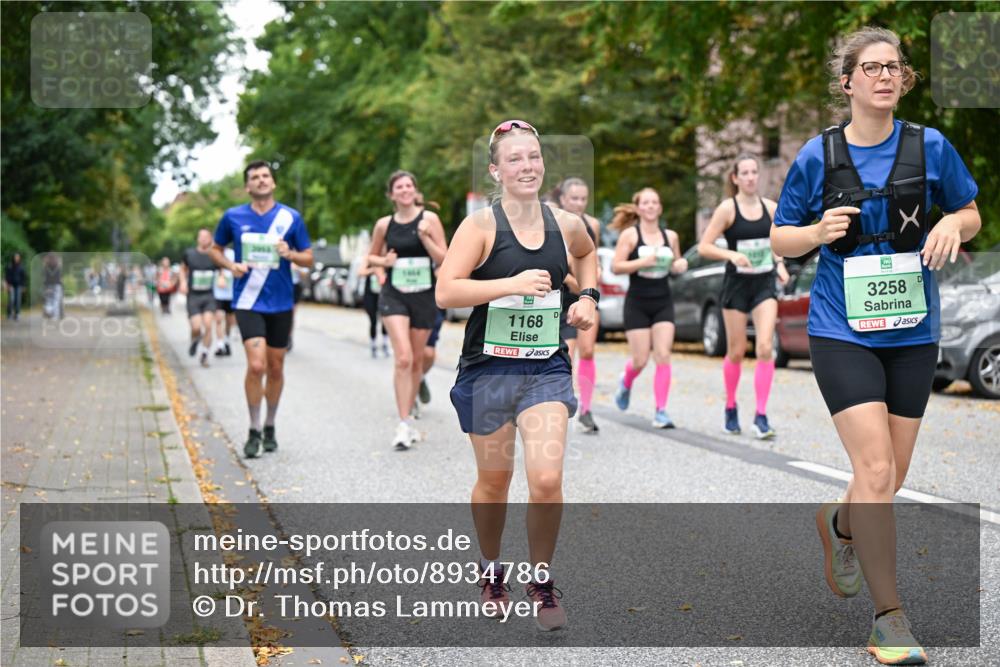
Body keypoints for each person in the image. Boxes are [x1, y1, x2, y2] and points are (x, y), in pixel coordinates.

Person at [770, 27, 980, 666]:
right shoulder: (818, 155)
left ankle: (840, 523)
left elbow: (971, 212)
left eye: (894, 67)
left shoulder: (930, 146)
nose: (886, 76)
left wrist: (951, 220)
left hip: (913, 331)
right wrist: (813, 231)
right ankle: (889, 620)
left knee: (886, 478)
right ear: (849, 83)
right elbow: (780, 240)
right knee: (878, 471)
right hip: (841, 331)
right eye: (872, 67)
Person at [436, 120, 597, 631]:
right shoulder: (481, 226)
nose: (526, 166)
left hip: (544, 367)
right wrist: (510, 283)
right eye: (514, 159)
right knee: (496, 479)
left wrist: (588, 299)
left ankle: (542, 581)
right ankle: (490, 569)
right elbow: (447, 291)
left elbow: (588, 256)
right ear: (496, 170)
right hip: (488, 368)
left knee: (546, 479)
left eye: (533, 157)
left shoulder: (566, 224)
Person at [211, 160, 314, 458]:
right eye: (254, 177)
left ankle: (270, 424)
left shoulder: (290, 218)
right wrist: (232, 265)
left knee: (276, 367)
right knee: (256, 366)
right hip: (247, 300)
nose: (260, 180)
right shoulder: (233, 217)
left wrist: (290, 253)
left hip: (281, 302)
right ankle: (254, 428)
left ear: (273, 182)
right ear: (247, 186)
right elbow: (215, 250)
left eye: (265, 176)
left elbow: (308, 258)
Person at [698, 154, 789, 438]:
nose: (750, 177)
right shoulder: (728, 209)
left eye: (754, 172)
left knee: (764, 347)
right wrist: (731, 254)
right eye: (744, 173)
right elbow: (704, 246)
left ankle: (761, 415)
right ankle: (730, 406)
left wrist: (780, 263)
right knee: (736, 351)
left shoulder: (771, 208)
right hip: (736, 284)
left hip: (764, 285)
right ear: (735, 178)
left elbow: (778, 241)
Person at [366, 171, 448, 450]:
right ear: (391, 195)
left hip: (424, 295)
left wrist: (426, 240)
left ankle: (411, 404)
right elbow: (371, 257)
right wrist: (383, 264)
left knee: (415, 359)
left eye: (409, 185)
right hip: (394, 296)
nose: (404, 190)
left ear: (415, 190)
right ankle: (403, 424)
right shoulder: (384, 225)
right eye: (399, 187)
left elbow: (445, 259)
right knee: (402, 358)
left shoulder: (430, 220)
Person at [610, 188, 688, 428]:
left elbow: (676, 262)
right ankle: (626, 381)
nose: (651, 206)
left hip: (663, 299)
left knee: (663, 355)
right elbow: (616, 267)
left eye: (655, 202)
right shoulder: (630, 236)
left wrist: (680, 264)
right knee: (640, 360)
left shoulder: (671, 236)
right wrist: (642, 262)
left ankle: (661, 411)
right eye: (646, 202)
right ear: (639, 208)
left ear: (660, 207)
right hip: (638, 302)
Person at [554, 178, 603, 433]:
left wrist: (595, 276)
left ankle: (586, 408)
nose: (579, 203)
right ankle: (561, 403)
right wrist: (573, 282)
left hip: (586, 295)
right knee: (567, 355)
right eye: (574, 198)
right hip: (563, 297)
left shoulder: (592, 224)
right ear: (563, 199)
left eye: (583, 199)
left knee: (588, 351)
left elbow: (592, 257)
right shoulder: (555, 223)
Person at [180, 229, 218, 367]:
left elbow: (220, 269)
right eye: (201, 237)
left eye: (206, 237)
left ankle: (204, 354)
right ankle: (195, 339)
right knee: (196, 327)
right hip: (193, 296)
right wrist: (183, 282)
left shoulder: (214, 255)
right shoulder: (189, 253)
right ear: (197, 239)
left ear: (210, 239)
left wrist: (221, 278)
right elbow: (183, 268)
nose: (203, 239)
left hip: (208, 295)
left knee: (208, 325)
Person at [359, 256, 390, 358]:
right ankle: (373, 344)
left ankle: (385, 343)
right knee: (373, 320)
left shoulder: (386, 257)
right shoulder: (368, 258)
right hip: (370, 295)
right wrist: (373, 270)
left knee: (385, 320)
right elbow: (360, 272)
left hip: (383, 294)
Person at [212, 247, 236, 357]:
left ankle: (226, 340)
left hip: (230, 293)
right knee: (219, 318)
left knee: (229, 320)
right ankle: (220, 345)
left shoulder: (232, 253)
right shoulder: (214, 252)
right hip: (218, 293)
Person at [4, 253, 26, 321]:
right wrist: (7, 284)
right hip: (11, 285)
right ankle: (9, 314)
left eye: (18, 257)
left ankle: (17, 314)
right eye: (15, 257)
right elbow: (6, 276)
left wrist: (23, 286)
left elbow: (23, 278)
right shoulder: (9, 266)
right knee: (11, 299)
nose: (16, 258)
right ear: (13, 258)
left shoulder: (21, 267)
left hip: (18, 286)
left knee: (18, 300)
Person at [42, 253, 64, 320]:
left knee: (49, 300)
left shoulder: (46, 266)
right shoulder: (58, 266)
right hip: (57, 284)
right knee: (56, 300)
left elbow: (44, 276)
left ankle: (49, 312)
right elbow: (60, 276)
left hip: (48, 284)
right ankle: (55, 315)